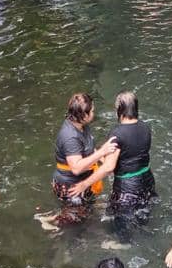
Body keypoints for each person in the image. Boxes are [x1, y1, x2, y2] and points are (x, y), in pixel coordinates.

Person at [78, 92, 155, 233]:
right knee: (142, 212)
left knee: (119, 220)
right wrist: (98, 155)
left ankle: (122, 243)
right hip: (147, 180)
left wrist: (84, 184)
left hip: (127, 187)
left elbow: (109, 167)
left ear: (120, 109)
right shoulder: (145, 128)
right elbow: (129, 155)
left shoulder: (117, 133)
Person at [46, 93, 118, 228]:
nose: (93, 113)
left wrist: (105, 161)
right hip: (71, 186)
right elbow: (76, 168)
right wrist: (103, 151)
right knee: (74, 223)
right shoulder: (70, 137)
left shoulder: (82, 126)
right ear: (83, 115)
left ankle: (54, 217)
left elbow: (89, 150)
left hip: (84, 181)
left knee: (85, 213)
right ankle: (51, 223)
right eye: (91, 111)